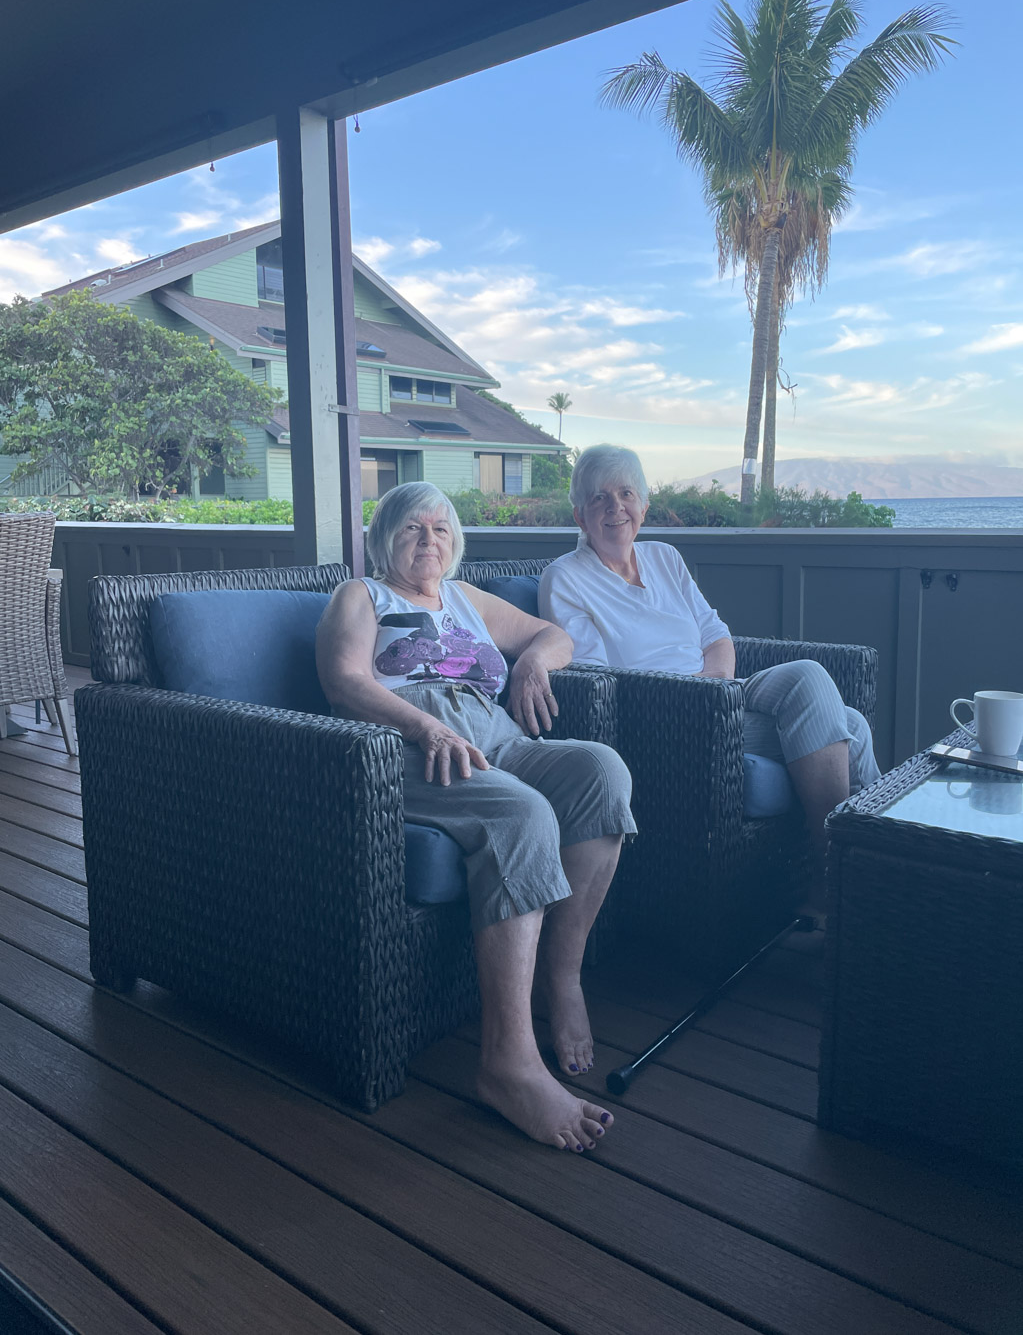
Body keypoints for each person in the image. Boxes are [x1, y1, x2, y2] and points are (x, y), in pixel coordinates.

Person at [316, 481, 635, 1151]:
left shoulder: (464, 597)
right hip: (413, 745)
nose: (428, 540)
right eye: (412, 528)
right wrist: (424, 728)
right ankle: (507, 1063)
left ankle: (561, 977)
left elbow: (555, 635)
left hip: (498, 736)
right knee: (522, 813)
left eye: (440, 528)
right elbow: (344, 680)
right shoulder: (362, 595)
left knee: (601, 772)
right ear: (384, 539)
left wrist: (531, 666)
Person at [538, 445, 880, 912]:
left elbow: (716, 635)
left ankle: (856, 876)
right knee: (848, 722)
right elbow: (595, 678)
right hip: (667, 715)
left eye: (626, 494)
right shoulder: (565, 579)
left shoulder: (664, 557)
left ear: (644, 506)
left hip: (719, 692)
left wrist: (714, 685)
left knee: (816, 686)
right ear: (580, 514)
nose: (615, 507)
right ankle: (841, 882)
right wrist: (698, 699)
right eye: (599, 498)